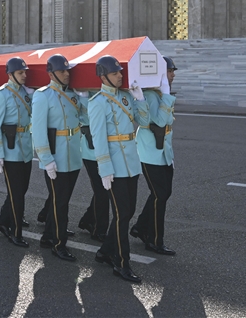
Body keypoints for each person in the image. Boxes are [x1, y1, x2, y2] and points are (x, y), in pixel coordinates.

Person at [88, 55, 149, 283]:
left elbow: (144, 121)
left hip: (131, 163)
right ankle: (121, 262)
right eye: (115, 73)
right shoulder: (97, 102)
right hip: (113, 165)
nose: (120, 76)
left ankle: (105, 251)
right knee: (122, 215)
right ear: (103, 76)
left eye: (120, 72)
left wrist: (140, 99)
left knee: (128, 211)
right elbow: (98, 138)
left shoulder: (125, 97)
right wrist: (104, 168)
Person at [31, 54, 84, 262]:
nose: (67, 74)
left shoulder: (72, 94)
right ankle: (59, 243)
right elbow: (38, 131)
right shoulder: (42, 95)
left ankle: (48, 236)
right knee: (60, 203)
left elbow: (82, 118)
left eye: (67, 70)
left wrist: (85, 98)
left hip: (72, 155)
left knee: (61, 199)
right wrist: (46, 159)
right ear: (52, 73)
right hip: (56, 157)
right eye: (62, 71)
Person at [131, 56, 178, 256]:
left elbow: (167, 123)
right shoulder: (150, 95)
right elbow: (159, 122)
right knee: (160, 195)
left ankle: (141, 227)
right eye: (169, 71)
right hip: (149, 153)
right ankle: (155, 240)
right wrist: (166, 95)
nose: (172, 75)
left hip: (163, 152)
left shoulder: (158, 94)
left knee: (163, 193)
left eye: (173, 71)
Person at [0, 57, 36, 247]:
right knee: (17, 193)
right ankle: (15, 232)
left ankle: (2, 221)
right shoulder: (1, 94)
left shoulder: (26, 93)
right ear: (10, 75)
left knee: (21, 189)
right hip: (10, 151)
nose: (24, 75)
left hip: (25, 148)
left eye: (25, 72)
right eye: (20, 73)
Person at [76, 82, 108, 243]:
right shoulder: (82, 93)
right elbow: (91, 116)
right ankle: (99, 229)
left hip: (106, 146)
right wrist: (83, 96)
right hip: (91, 148)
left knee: (103, 190)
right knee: (102, 190)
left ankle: (88, 219)